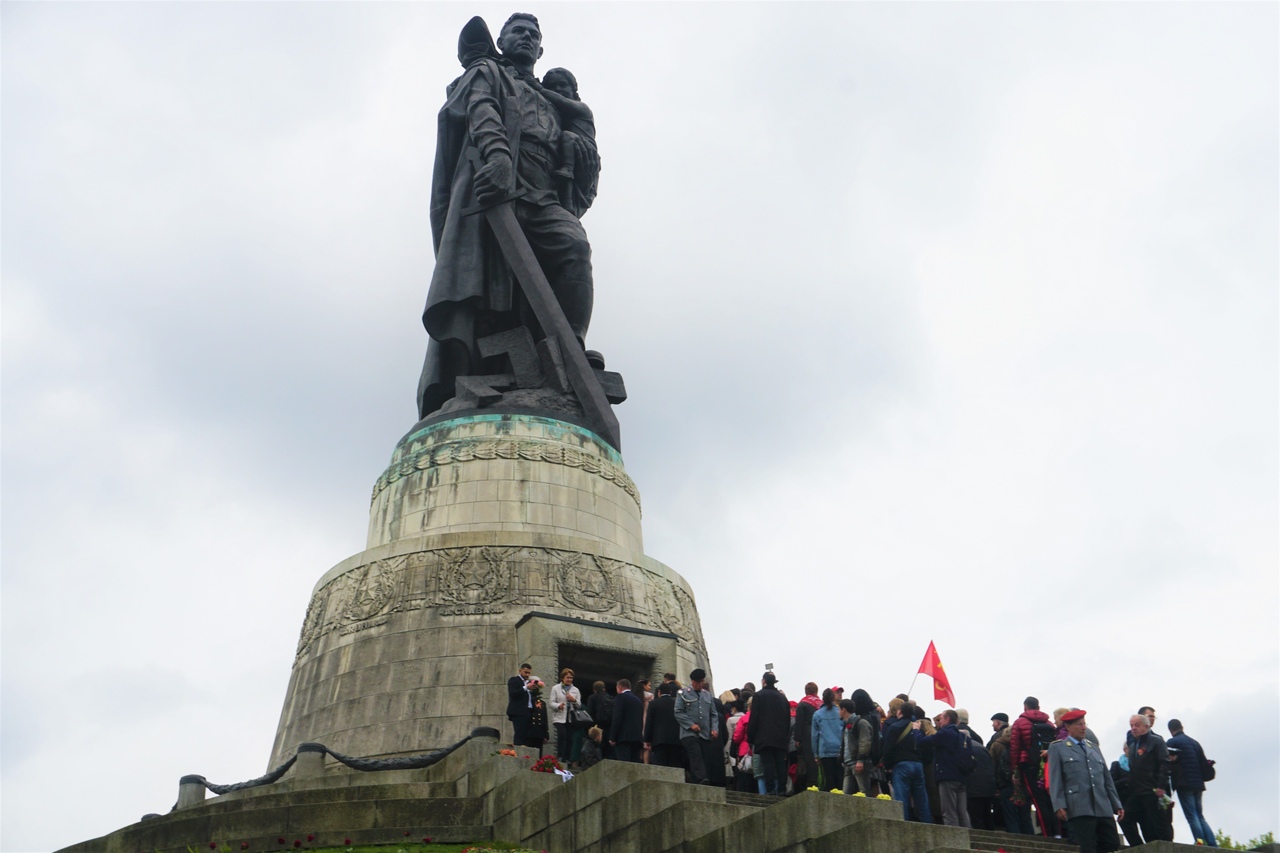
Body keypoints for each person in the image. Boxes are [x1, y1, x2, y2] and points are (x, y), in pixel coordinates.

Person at [417, 13, 602, 419]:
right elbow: (480, 109)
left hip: (544, 193)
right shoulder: (489, 72)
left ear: (540, 50)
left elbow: (581, 166)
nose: (526, 37)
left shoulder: (555, 99)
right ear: (502, 40)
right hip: (496, 189)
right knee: (490, 286)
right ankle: (481, 373)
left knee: (573, 246)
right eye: (518, 31)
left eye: (534, 35)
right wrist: (498, 157)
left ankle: (569, 347)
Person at [1047, 710, 1123, 853]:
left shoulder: (1094, 748)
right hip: (1080, 806)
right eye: (1078, 725)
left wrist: (1116, 803)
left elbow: (1106, 779)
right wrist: (1059, 804)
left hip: (1102, 805)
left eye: (1084, 724)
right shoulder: (1058, 748)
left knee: (1112, 842)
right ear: (1067, 727)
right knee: (1088, 846)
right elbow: (1055, 778)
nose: (1083, 728)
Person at [534, 67, 599, 217]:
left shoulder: (582, 108)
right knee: (565, 180)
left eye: (563, 85)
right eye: (552, 86)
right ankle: (567, 205)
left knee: (567, 136)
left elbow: (561, 101)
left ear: (574, 91)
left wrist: (539, 88)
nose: (558, 89)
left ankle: (568, 168)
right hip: (568, 149)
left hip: (583, 148)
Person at [913, 708, 972, 827]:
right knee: (962, 812)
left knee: (948, 811)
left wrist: (916, 731)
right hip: (961, 777)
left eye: (941, 719)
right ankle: (968, 838)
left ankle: (954, 840)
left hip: (947, 776)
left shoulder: (945, 733)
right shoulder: (964, 737)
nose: (939, 722)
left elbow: (922, 742)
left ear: (947, 719)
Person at [1010, 696, 1058, 836]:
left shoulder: (1019, 722)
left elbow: (1015, 747)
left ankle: (1046, 833)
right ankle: (1057, 833)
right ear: (1038, 706)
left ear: (1025, 707)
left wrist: (1014, 768)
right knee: (1051, 799)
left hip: (1029, 764)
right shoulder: (1049, 724)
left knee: (1038, 800)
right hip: (1048, 764)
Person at [1123, 714, 1173, 843]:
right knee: (1124, 819)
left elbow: (1165, 763)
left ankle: (1168, 847)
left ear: (1146, 726)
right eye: (1131, 725)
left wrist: (1161, 786)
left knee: (1159, 824)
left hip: (1152, 790)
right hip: (1136, 792)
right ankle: (1138, 847)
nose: (1133, 728)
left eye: (1137, 725)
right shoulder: (1133, 746)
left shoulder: (1156, 741)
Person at [1167, 719, 1217, 846]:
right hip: (1198, 783)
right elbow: (1203, 762)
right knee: (1200, 815)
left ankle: (1199, 842)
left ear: (1171, 730)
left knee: (1191, 816)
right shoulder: (1194, 743)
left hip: (1184, 783)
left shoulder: (1172, 742)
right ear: (1181, 727)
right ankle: (1212, 844)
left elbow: (1168, 762)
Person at [882, 702, 931, 822]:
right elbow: (926, 749)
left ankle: (904, 825)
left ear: (899, 712)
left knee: (902, 799)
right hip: (918, 765)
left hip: (901, 765)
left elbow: (887, 749)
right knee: (922, 800)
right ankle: (927, 824)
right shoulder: (918, 729)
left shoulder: (894, 727)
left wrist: (887, 766)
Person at [746, 671, 790, 795]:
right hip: (780, 736)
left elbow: (754, 718)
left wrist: (751, 737)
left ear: (764, 681)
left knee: (768, 764)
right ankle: (782, 789)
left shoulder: (759, 696)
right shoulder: (782, 698)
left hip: (764, 736)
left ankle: (770, 789)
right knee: (780, 764)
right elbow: (787, 719)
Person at [674, 668, 719, 784]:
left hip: (705, 733)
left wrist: (714, 728)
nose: (700, 684)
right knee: (696, 754)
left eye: (702, 681)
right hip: (689, 733)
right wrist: (690, 725)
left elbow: (714, 714)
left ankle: (696, 780)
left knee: (704, 757)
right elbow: (678, 712)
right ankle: (701, 778)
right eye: (698, 682)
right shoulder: (683, 693)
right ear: (692, 681)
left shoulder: (708, 696)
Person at [842, 690, 879, 795]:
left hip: (857, 758)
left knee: (859, 790)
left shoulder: (857, 721)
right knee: (869, 787)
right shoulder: (873, 717)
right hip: (870, 756)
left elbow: (863, 740)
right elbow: (875, 738)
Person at [645, 681, 684, 769]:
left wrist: (647, 739)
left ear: (659, 692)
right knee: (674, 765)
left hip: (659, 740)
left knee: (660, 766)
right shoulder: (677, 704)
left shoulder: (653, 704)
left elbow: (649, 722)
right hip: (675, 740)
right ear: (670, 692)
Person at [811, 688, 843, 791]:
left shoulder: (817, 714)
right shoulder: (840, 712)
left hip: (825, 749)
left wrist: (816, 754)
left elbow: (814, 736)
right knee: (840, 776)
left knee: (829, 776)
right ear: (834, 698)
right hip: (839, 749)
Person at [793, 682, 821, 793]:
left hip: (807, 736)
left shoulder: (803, 703)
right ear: (816, 691)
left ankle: (811, 785)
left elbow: (799, 723)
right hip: (820, 736)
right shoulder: (822, 704)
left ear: (806, 691)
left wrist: (797, 739)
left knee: (809, 762)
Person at [549, 667, 581, 763]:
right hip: (559, 717)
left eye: (571, 678)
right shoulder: (555, 688)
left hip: (571, 717)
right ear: (562, 678)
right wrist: (559, 706)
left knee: (569, 738)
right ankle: (560, 755)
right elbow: (551, 703)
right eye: (567, 677)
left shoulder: (576, 690)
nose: (569, 680)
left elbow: (579, 705)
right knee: (562, 734)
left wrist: (573, 700)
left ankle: (566, 758)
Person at [609, 678, 644, 762]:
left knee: (624, 764)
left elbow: (617, 718)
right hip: (637, 738)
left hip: (623, 737)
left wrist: (613, 737)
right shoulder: (638, 700)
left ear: (619, 688)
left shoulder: (621, 697)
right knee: (635, 764)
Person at [506, 662, 534, 747]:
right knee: (519, 734)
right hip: (518, 712)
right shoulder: (514, 680)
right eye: (525, 672)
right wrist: (526, 688)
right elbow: (513, 693)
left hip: (527, 711)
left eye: (529, 673)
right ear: (520, 671)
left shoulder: (528, 682)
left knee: (526, 735)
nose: (527, 675)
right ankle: (518, 751)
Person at [585, 680, 615, 759]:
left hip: (597, 726)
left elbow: (589, 712)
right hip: (608, 727)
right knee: (608, 748)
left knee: (597, 746)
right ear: (604, 689)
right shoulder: (610, 698)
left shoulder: (592, 698)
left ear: (594, 690)